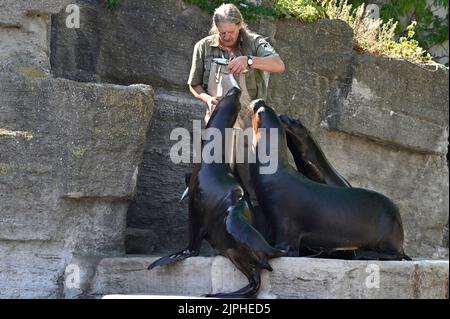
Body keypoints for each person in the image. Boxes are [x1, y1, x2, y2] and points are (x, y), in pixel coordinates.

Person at [187, 3, 285, 205]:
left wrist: (249, 61)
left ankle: (256, 222)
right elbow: (194, 84)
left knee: (252, 177)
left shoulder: (254, 43)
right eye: (222, 32)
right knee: (210, 176)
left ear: (240, 25)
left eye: (230, 32)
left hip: (249, 123)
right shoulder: (204, 47)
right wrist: (207, 99)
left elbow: (279, 65)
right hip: (217, 121)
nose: (226, 36)